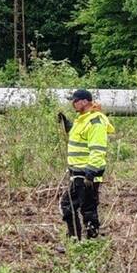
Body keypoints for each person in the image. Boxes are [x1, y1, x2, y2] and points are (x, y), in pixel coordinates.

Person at [57, 88, 114, 239]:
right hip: (78, 173)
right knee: (74, 206)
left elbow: (98, 149)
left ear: (84, 101)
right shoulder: (83, 119)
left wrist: (90, 173)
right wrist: (66, 124)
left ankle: (84, 241)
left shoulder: (95, 122)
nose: (72, 104)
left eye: (75, 101)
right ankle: (79, 240)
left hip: (86, 174)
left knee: (83, 208)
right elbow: (78, 135)